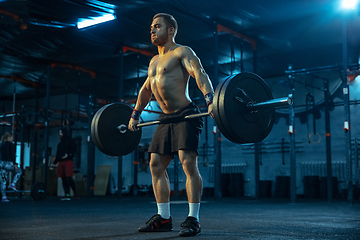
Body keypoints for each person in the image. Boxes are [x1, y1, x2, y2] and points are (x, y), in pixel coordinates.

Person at [128, 13, 215, 237]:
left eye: (157, 26)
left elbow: (199, 72)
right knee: (155, 164)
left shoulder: (182, 52)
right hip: (166, 118)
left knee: (187, 163)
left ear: (171, 30)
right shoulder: (154, 61)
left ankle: (193, 218)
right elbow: (147, 90)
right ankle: (164, 217)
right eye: (151, 27)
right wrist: (135, 114)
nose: (152, 30)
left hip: (185, 114)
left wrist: (210, 99)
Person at [50, 128, 77, 200]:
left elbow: (74, 149)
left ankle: (75, 193)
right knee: (63, 178)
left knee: (69, 177)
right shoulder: (60, 144)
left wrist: (68, 155)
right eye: (59, 133)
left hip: (68, 161)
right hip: (61, 162)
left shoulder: (71, 141)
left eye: (61, 133)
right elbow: (58, 155)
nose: (60, 134)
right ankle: (67, 194)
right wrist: (53, 163)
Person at [0, 131, 22, 202]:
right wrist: (15, 164)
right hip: (8, 163)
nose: (13, 138)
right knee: (19, 171)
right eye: (12, 137)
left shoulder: (2, 145)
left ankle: (4, 197)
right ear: (8, 137)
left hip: (2, 163)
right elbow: (12, 155)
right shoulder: (11, 145)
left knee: (3, 181)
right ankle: (13, 183)